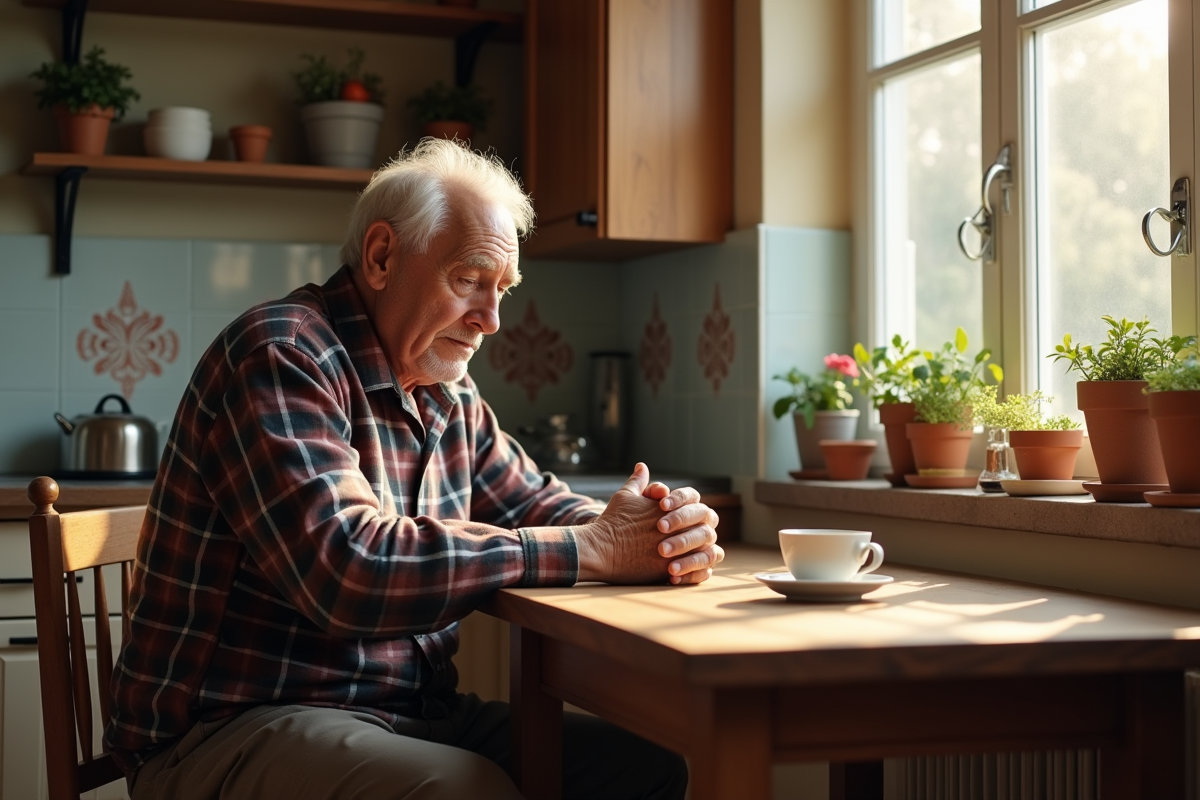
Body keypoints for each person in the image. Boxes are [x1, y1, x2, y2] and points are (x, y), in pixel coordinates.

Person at [105, 138, 725, 800]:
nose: (491, 320)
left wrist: (655, 529)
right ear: (380, 257)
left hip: (410, 715)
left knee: (647, 765)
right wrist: (594, 547)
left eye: (502, 290)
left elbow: (534, 505)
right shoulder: (284, 354)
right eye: (469, 281)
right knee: (464, 791)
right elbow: (349, 569)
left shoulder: (448, 394)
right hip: (229, 729)